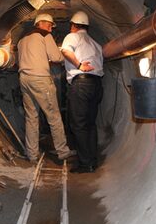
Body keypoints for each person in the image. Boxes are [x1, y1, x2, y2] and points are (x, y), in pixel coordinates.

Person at [17, 13, 75, 162]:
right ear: (41, 24)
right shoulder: (44, 35)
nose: (50, 29)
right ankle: (62, 152)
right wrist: (65, 57)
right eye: (49, 26)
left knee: (31, 117)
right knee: (54, 116)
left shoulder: (22, 40)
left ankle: (32, 154)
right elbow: (56, 57)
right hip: (40, 80)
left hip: (24, 79)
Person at [61, 11, 104, 173]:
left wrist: (79, 66)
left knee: (78, 125)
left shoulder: (72, 37)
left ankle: (85, 163)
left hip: (81, 84)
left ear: (74, 25)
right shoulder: (96, 44)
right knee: (90, 124)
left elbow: (65, 51)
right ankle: (92, 160)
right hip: (97, 84)